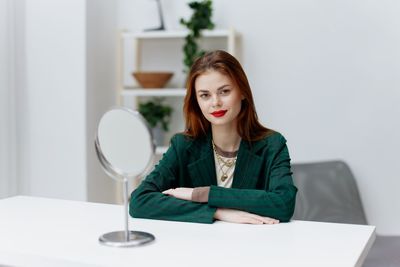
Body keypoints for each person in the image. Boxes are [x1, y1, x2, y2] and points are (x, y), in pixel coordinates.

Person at [130, 50, 297, 224]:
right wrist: (216, 212)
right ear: (196, 101)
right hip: (200, 246)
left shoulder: (272, 144)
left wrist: (203, 194)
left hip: (253, 246)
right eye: (205, 95)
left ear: (242, 92)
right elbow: (139, 201)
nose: (215, 102)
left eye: (224, 91)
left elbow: (283, 204)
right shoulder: (183, 146)